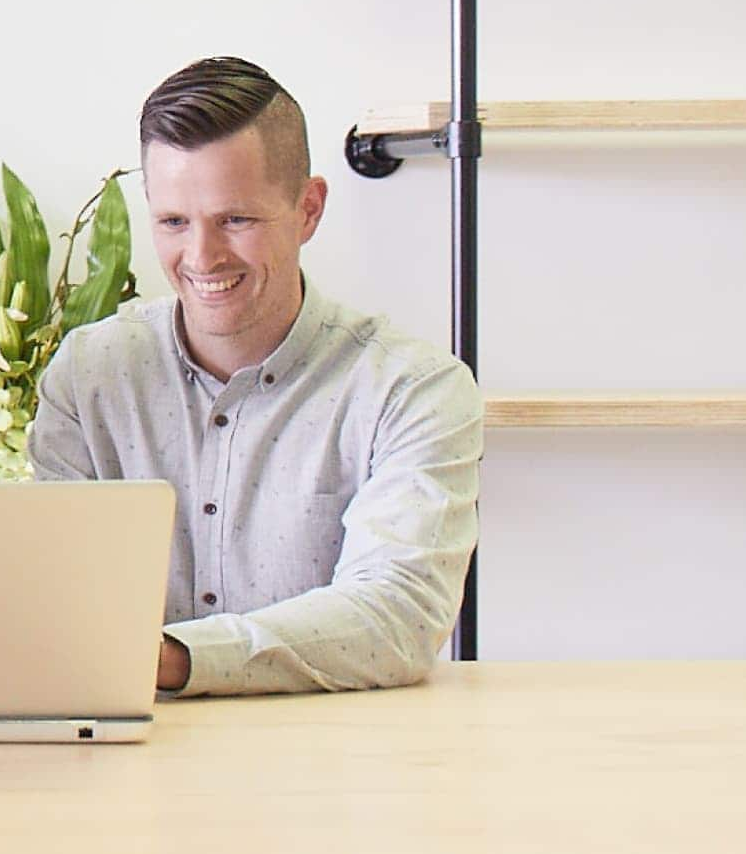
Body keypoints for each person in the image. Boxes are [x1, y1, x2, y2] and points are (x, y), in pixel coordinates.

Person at [31, 56, 482, 696]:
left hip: (343, 775)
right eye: (173, 223)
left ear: (308, 209)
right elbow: (46, 597)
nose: (202, 257)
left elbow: (397, 617)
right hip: (124, 763)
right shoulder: (88, 378)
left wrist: (174, 658)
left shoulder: (410, 390)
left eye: (235, 220)